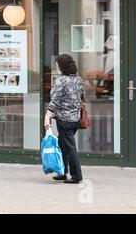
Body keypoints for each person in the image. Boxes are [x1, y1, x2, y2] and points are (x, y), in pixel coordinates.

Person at [44, 54, 84, 184]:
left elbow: (55, 100)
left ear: (61, 66)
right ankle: (62, 172)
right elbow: (81, 97)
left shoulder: (61, 80)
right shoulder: (78, 79)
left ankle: (76, 175)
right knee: (63, 145)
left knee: (70, 148)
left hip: (65, 120)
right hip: (75, 119)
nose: (55, 65)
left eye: (57, 63)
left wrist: (47, 116)